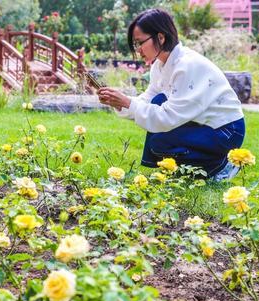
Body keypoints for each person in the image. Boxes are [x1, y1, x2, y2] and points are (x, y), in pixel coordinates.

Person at [98, 8, 245, 180]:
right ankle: (194, 168)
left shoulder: (186, 65)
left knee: (160, 143)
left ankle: (221, 166)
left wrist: (128, 103)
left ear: (160, 37)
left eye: (139, 42)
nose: (138, 50)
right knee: (158, 105)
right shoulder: (160, 66)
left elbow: (168, 117)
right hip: (202, 122)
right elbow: (148, 99)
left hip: (226, 131)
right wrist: (120, 102)